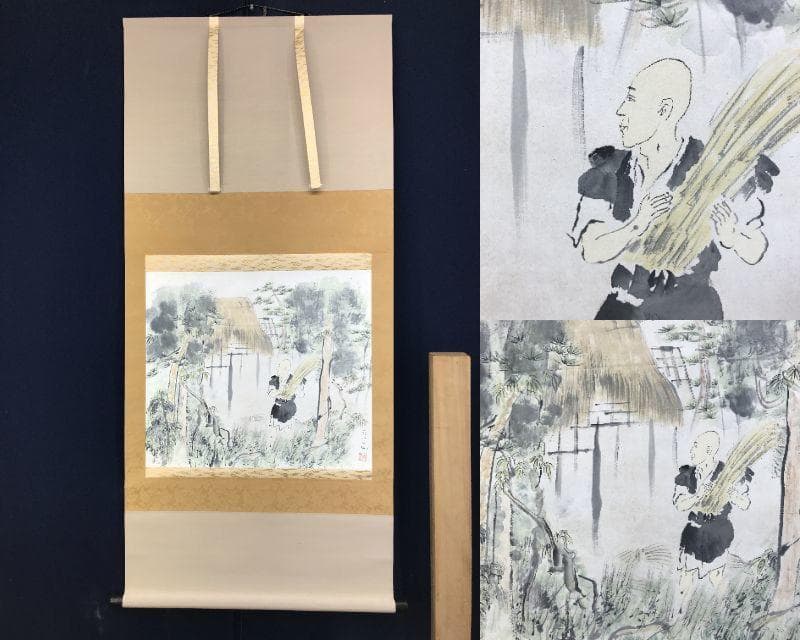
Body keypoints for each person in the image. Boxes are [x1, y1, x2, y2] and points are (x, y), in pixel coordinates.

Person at [569, 58, 777, 320]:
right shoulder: (610, 170)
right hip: (624, 308)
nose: (620, 111)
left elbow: (756, 249)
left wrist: (733, 236)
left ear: (664, 110)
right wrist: (637, 224)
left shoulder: (713, 167)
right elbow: (590, 249)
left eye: (631, 100)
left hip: (691, 311)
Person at [672, 431, 752, 612]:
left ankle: (724, 612)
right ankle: (679, 614)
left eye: (696, 447)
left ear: (709, 450)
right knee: (686, 575)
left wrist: (732, 494)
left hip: (718, 532)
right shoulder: (687, 474)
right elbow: (679, 504)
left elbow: (745, 503)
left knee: (717, 576)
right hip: (694, 530)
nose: (692, 451)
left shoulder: (729, 472)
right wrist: (697, 496)